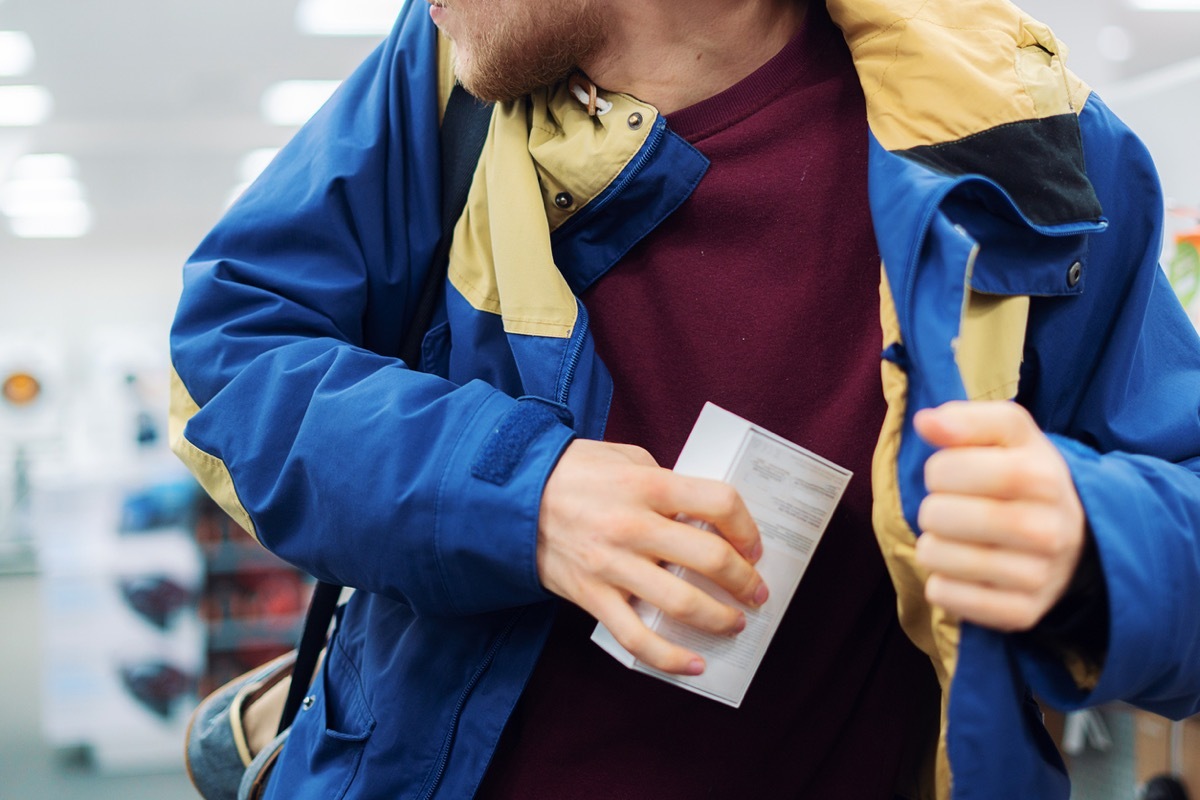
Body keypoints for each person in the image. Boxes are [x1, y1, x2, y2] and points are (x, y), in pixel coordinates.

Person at [168, 0, 1200, 797]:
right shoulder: (444, 78)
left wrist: (1091, 542)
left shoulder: (1022, 144)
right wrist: (523, 490)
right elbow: (230, 359)